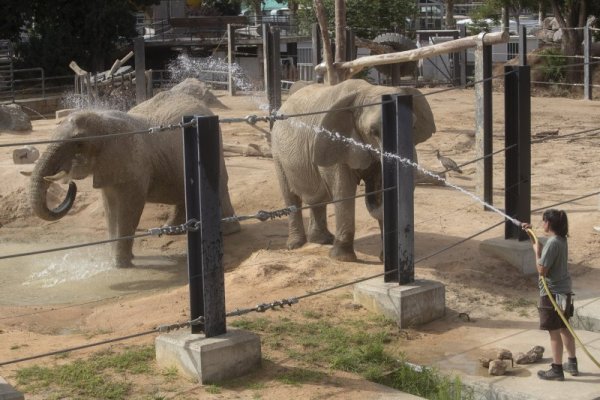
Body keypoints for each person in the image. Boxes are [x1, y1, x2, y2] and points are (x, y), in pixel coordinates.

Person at [522, 209, 577, 381]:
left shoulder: (552, 243)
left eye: (543, 221)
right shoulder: (561, 240)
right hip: (564, 291)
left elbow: (541, 270)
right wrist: (531, 234)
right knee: (564, 327)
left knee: (554, 332)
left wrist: (538, 256)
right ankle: (572, 363)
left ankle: (557, 369)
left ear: (549, 223)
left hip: (551, 293)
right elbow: (540, 250)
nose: (542, 223)